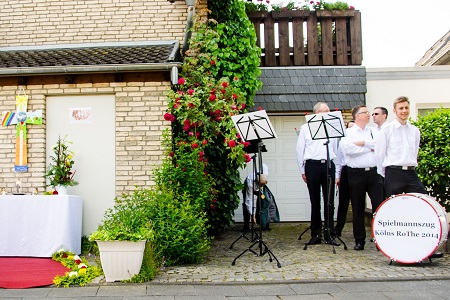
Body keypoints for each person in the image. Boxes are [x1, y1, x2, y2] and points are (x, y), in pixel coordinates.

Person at [296, 102, 340, 246]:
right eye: (324, 112)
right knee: (315, 201)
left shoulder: (332, 129)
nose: (327, 114)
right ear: (316, 113)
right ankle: (315, 234)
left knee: (329, 202)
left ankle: (329, 234)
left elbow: (336, 150)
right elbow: (300, 150)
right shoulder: (305, 128)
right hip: (312, 165)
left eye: (328, 111)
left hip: (328, 164)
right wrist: (303, 170)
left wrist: (337, 170)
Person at [340, 105, 384, 251]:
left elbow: (379, 146)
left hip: (373, 173)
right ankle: (359, 240)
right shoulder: (348, 132)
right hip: (356, 173)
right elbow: (349, 150)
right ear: (358, 115)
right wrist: (368, 148)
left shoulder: (374, 131)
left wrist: (363, 143)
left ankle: (380, 238)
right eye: (365, 113)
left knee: (379, 206)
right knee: (358, 207)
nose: (369, 115)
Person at [375, 96, 427, 197]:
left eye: (406, 108)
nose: (404, 111)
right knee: (393, 206)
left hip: (411, 173)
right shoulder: (386, 130)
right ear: (395, 110)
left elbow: (415, 152)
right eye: (401, 108)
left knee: (421, 200)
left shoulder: (415, 130)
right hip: (393, 173)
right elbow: (379, 155)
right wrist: (386, 174)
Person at [334, 120, 354, 237]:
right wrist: (338, 176)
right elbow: (338, 161)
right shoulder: (343, 142)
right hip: (346, 171)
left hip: (357, 170)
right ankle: (338, 228)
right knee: (343, 202)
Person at [242, 163, 268, 232]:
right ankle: (246, 226)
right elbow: (249, 200)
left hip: (259, 183)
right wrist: (252, 214)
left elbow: (263, 164)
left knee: (264, 199)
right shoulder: (250, 182)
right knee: (246, 204)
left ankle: (263, 221)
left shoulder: (264, 171)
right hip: (248, 187)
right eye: (260, 185)